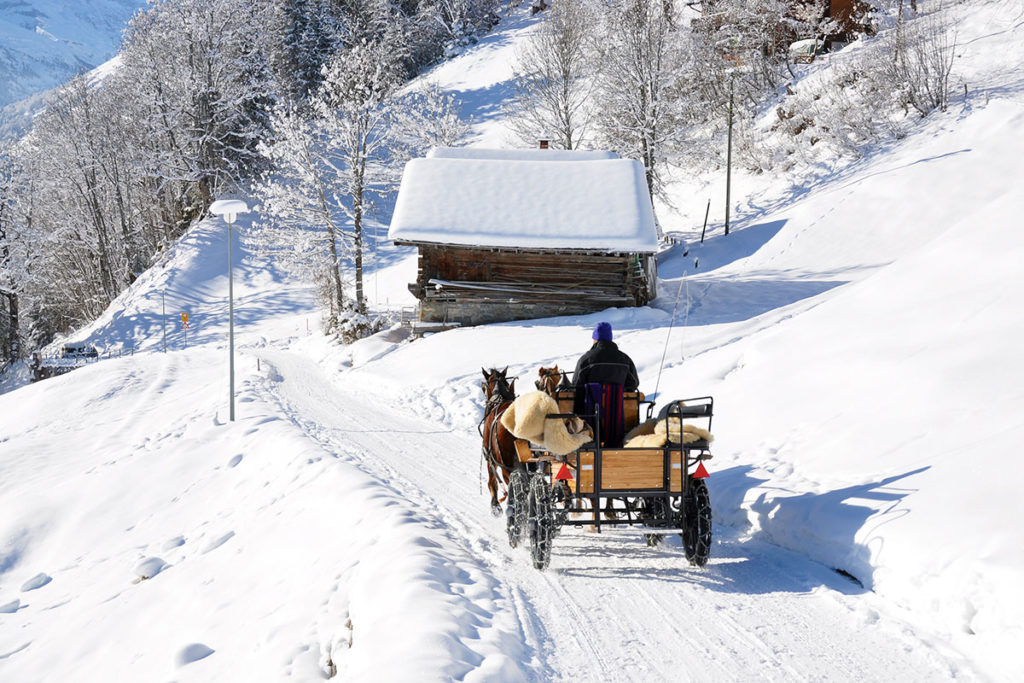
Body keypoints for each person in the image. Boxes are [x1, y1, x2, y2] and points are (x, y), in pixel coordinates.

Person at [572, 322, 639, 446]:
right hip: (618, 419)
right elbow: (633, 384)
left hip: (589, 419)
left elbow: (576, 385)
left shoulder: (586, 359)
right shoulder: (625, 359)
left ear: (595, 340)